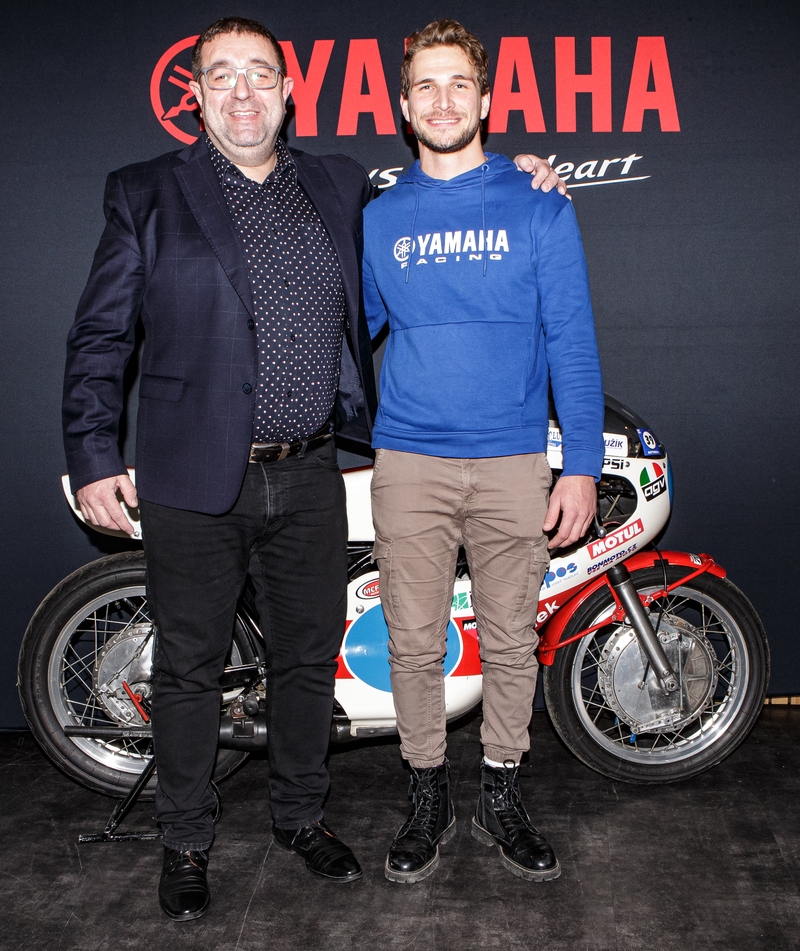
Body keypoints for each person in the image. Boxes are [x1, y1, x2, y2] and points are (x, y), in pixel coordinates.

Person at [63, 16, 563, 920]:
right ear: (197, 94)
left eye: (261, 73)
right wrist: (93, 452)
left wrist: (523, 171)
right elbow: (101, 335)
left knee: (304, 660)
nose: (243, 91)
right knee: (189, 667)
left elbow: (443, 196)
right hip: (191, 476)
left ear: (289, 92)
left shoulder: (338, 183)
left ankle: (300, 817)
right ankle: (186, 838)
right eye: (223, 75)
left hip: (309, 472)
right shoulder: (145, 191)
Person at [362, 19, 605, 885]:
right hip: (409, 463)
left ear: (486, 98)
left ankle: (502, 792)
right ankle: (427, 794)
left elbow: (572, 340)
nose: (442, 100)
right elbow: (350, 334)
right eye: (425, 86)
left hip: (512, 463)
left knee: (509, 641)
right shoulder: (379, 219)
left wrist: (581, 464)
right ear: (404, 105)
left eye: (458, 83)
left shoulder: (539, 205)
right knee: (413, 642)